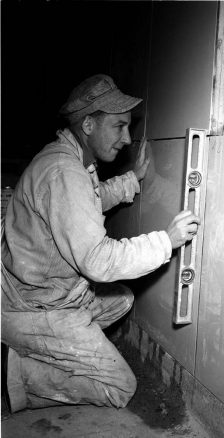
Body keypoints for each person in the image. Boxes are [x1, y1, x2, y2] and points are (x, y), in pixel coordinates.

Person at [1, 74, 200, 414]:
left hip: (45, 293)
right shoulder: (63, 172)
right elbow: (99, 260)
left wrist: (131, 180)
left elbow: (90, 201)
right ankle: (14, 374)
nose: (126, 138)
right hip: (35, 307)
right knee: (120, 386)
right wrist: (166, 241)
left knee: (121, 300)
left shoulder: (72, 159)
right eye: (119, 126)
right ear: (89, 124)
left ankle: (52, 349)